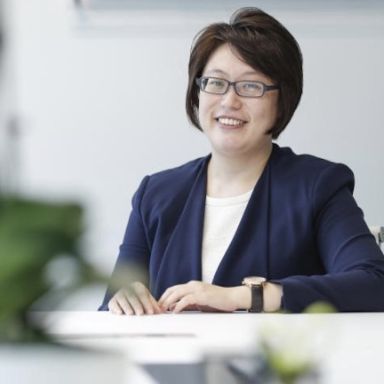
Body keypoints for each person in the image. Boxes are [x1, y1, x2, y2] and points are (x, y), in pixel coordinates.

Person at [100, 7, 384, 315]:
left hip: (277, 362)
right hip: (174, 362)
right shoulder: (156, 193)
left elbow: (374, 284)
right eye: (216, 82)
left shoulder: (317, 186)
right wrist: (123, 302)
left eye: (251, 86)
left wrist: (246, 296)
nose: (229, 101)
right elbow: (112, 310)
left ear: (281, 102)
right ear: (198, 94)